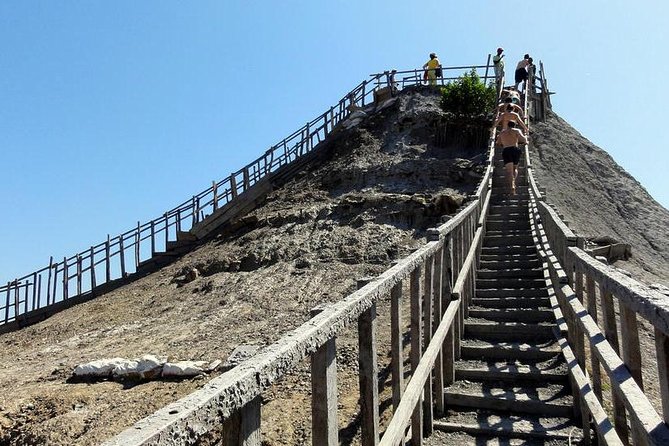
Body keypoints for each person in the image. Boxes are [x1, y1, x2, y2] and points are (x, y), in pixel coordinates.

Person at [496, 120, 528, 195]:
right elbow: (523, 138)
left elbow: (498, 143)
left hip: (506, 150)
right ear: (514, 125)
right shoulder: (517, 130)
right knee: (515, 168)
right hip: (515, 149)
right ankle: (513, 181)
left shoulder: (502, 132)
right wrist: (526, 141)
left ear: (507, 125)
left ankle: (512, 185)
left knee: (509, 171)